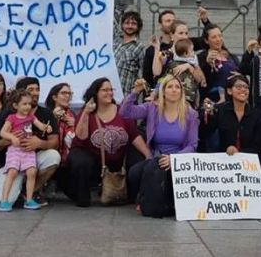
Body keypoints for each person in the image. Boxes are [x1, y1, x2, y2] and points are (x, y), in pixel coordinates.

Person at [62, 77, 152, 207]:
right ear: (96, 93)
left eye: (111, 90)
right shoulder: (87, 112)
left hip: (119, 159)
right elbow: (81, 137)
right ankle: (82, 197)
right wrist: (86, 113)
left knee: (137, 157)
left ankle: (132, 195)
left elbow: (134, 135)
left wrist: (147, 154)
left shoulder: (121, 110)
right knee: (80, 160)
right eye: (105, 90)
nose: (109, 93)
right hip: (93, 159)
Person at [121, 76, 198, 216]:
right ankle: (145, 198)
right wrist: (135, 92)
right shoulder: (152, 108)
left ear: (181, 92)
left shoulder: (190, 114)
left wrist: (174, 159)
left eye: (177, 87)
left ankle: (159, 202)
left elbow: (192, 145)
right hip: (155, 157)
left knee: (161, 172)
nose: (174, 90)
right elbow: (125, 113)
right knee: (134, 173)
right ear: (163, 91)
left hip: (179, 160)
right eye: (170, 87)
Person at [0, 77, 62, 206]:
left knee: (53, 156)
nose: (35, 93)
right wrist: (11, 139)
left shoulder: (45, 113)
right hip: (12, 159)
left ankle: (30, 193)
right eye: (31, 90)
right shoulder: (9, 115)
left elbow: (54, 142)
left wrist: (39, 143)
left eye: (37, 89)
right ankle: (14, 192)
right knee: (4, 200)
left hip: (31, 158)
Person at [201, 74, 261, 162]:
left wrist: (239, 152)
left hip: (250, 162)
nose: (243, 89)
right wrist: (208, 114)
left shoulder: (259, 115)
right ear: (229, 91)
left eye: (246, 87)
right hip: (224, 161)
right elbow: (204, 133)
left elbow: (259, 145)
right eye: (238, 87)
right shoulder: (220, 110)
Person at [153, 37, 204, 107]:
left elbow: (199, 79)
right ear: (186, 53)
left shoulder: (193, 63)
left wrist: (190, 67)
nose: (194, 53)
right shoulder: (171, 61)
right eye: (192, 51)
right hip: (175, 97)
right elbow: (163, 78)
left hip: (188, 98)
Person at [197, 23, 240, 102]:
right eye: (214, 37)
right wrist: (208, 64)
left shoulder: (231, 56)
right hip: (212, 100)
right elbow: (201, 81)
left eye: (220, 36)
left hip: (233, 99)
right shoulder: (201, 57)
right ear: (206, 40)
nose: (218, 39)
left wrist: (239, 76)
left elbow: (242, 75)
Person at [113, 9, 145, 95]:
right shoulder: (115, 41)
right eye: (127, 23)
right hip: (109, 92)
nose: (130, 26)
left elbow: (142, 74)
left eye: (133, 24)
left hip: (125, 94)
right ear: (122, 25)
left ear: (138, 27)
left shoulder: (140, 47)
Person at [141, 9, 176, 84]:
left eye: (174, 21)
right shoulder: (152, 49)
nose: (172, 23)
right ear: (160, 25)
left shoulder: (183, 44)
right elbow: (147, 77)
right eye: (168, 21)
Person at [45, 83, 76, 166]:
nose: (67, 96)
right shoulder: (45, 113)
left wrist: (76, 124)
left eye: (69, 93)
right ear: (54, 97)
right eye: (63, 93)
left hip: (70, 157)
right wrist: (53, 118)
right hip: (50, 155)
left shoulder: (73, 114)